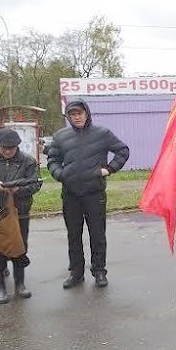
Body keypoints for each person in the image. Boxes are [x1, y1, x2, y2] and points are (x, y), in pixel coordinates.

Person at [47, 98, 129, 289]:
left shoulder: (102, 134)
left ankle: (99, 271)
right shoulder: (60, 136)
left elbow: (123, 151)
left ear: (87, 114)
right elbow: (52, 159)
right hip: (71, 194)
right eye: (72, 114)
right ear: (68, 116)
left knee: (97, 234)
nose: (76, 117)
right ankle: (76, 272)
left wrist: (108, 169)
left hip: (95, 193)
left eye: (79, 113)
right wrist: (60, 174)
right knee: (74, 235)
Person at [0, 129, 42, 304]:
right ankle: (0, 287)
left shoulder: (28, 161)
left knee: (20, 246)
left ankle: (20, 284)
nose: (7, 151)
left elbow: (36, 184)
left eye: (11, 148)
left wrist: (19, 190)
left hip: (20, 211)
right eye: (4, 147)